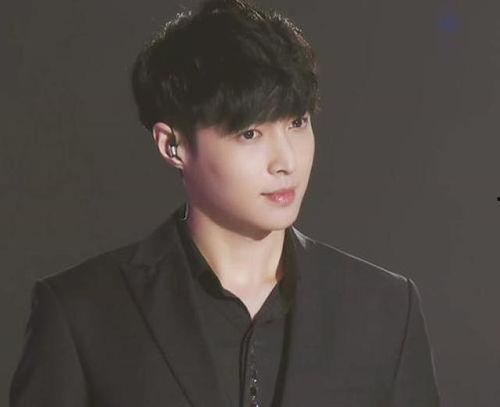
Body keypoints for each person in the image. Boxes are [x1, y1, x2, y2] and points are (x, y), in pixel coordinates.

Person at [9, 0, 441, 406]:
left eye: (297, 123)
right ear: (173, 144)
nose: (286, 161)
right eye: (250, 133)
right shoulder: (82, 312)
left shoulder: (384, 307)